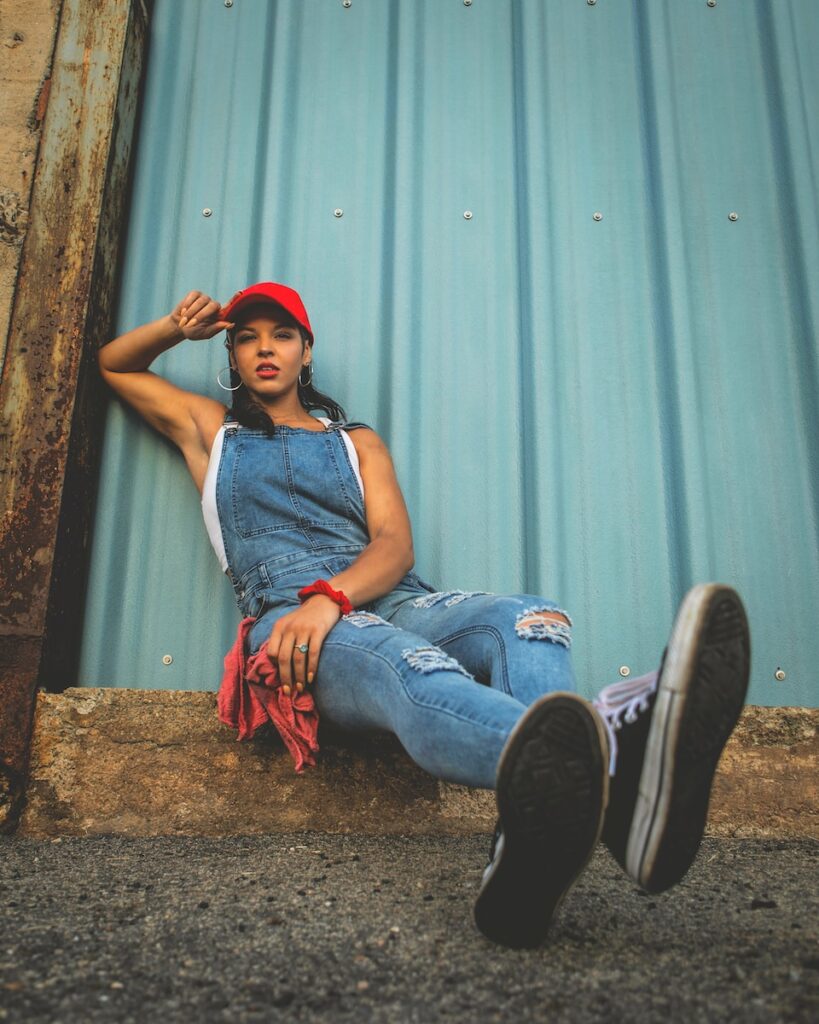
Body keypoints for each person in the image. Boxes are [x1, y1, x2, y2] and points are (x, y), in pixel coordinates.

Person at [98, 281, 751, 949]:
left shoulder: (356, 442)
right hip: (289, 623)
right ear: (231, 355)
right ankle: (619, 768)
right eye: (246, 338)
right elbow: (115, 364)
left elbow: (393, 547)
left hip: (383, 596)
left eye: (282, 334)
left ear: (306, 351)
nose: (264, 348)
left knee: (530, 616)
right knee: (409, 665)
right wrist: (177, 328)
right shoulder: (212, 430)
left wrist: (333, 596)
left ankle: (530, 843)